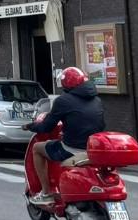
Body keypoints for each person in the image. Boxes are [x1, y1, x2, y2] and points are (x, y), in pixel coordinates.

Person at [27, 67, 106, 205]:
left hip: (73, 149)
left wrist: (30, 126)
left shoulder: (63, 101)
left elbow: (46, 127)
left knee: (37, 148)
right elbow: (100, 124)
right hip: (93, 149)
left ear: (65, 84)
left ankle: (46, 193)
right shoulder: (97, 99)